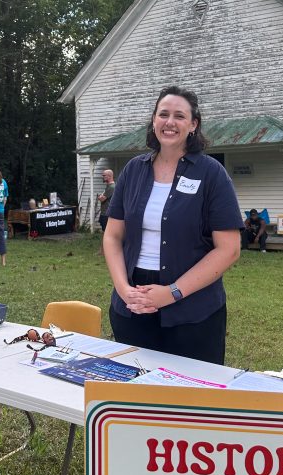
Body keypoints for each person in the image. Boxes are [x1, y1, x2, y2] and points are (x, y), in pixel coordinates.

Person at [103, 85, 243, 365]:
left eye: (179, 116)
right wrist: (122, 288)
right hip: (133, 306)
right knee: (137, 393)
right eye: (163, 114)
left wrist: (172, 292)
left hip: (192, 309)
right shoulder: (132, 170)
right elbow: (113, 237)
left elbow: (229, 249)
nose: (169, 122)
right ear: (153, 120)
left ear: (193, 125)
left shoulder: (211, 174)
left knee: (191, 398)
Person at [97, 168, 115, 255]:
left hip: (107, 214)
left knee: (105, 233)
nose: (102, 177)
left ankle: (103, 251)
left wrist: (100, 197)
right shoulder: (108, 187)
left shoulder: (111, 187)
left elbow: (101, 198)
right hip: (104, 213)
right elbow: (101, 197)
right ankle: (103, 251)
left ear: (109, 176)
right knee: (104, 232)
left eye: (104, 175)